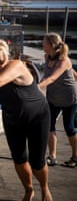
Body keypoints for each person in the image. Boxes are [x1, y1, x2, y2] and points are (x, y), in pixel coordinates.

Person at [0, 38, 52, 201]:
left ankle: (44, 186)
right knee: (19, 159)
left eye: (0, 61)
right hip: (13, 119)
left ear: (7, 56)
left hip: (38, 117)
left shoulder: (16, 66)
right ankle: (29, 190)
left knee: (37, 162)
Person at [38, 32, 77, 168]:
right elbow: (46, 77)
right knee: (50, 125)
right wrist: (36, 84)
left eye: (44, 42)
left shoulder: (64, 60)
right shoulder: (47, 57)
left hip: (68, 98)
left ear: (51, 44)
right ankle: (52, 156)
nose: (42, 44)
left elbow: (52, 78)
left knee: (69, 128)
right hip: (53, 97)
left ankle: (75, 156)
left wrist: (35, 89)